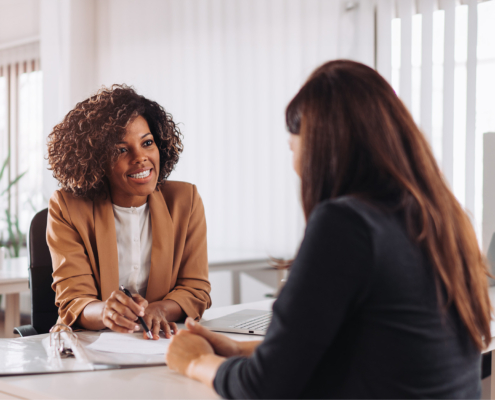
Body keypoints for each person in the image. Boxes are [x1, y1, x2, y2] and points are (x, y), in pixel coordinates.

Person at [165, 60, 492, 398]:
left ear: (321, 147)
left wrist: (196, 362)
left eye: (293, 148)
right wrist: (238, 350)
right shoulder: (448, 219)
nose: (295, 168)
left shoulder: (347, 225)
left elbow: (264, 388)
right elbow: (371, 349)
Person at [47, 85, 211, 339]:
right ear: (96, 160)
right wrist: (105, 312)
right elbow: (74, 300)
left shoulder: (184, 201)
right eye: (121, 149)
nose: (141, 157)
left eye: (147, 143)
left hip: (159, 343)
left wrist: (159, 310)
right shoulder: (67, 207)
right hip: (90, 346)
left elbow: (195, 289)